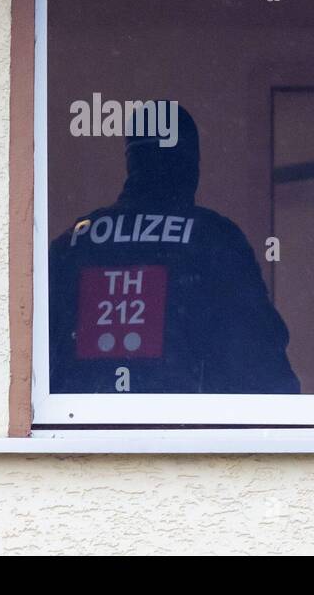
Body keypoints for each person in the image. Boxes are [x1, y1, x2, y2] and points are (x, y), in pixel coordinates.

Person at [49, 105, 300, 394]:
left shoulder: (75, 243)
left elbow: (30, 360)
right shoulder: (213, 239)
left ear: (132, 162)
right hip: (187, 433)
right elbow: (260, 365)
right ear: (192, 164)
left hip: (75, 431)